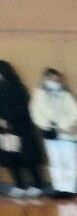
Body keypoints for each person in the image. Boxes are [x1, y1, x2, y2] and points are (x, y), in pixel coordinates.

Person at [29, 68, 77, 199]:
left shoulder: (66, 94)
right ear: (45, 78)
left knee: (71, 161)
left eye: (56, 78)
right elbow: (36, 114)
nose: (54, 80)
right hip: (50, 133)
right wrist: (49, 125)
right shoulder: (38, 95)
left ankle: (70, 189)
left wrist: (64, 125)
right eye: (50, 78)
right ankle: (59, 188)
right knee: (55, 162)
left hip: (69, 133)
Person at [0, 61, 45, 198]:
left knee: (27, 156)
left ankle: (37, 184)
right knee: (11, 158)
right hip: (4, 131)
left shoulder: (18, 88)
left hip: (21, 128)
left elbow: (23, 108)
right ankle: (19, 185)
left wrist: (8, 119)